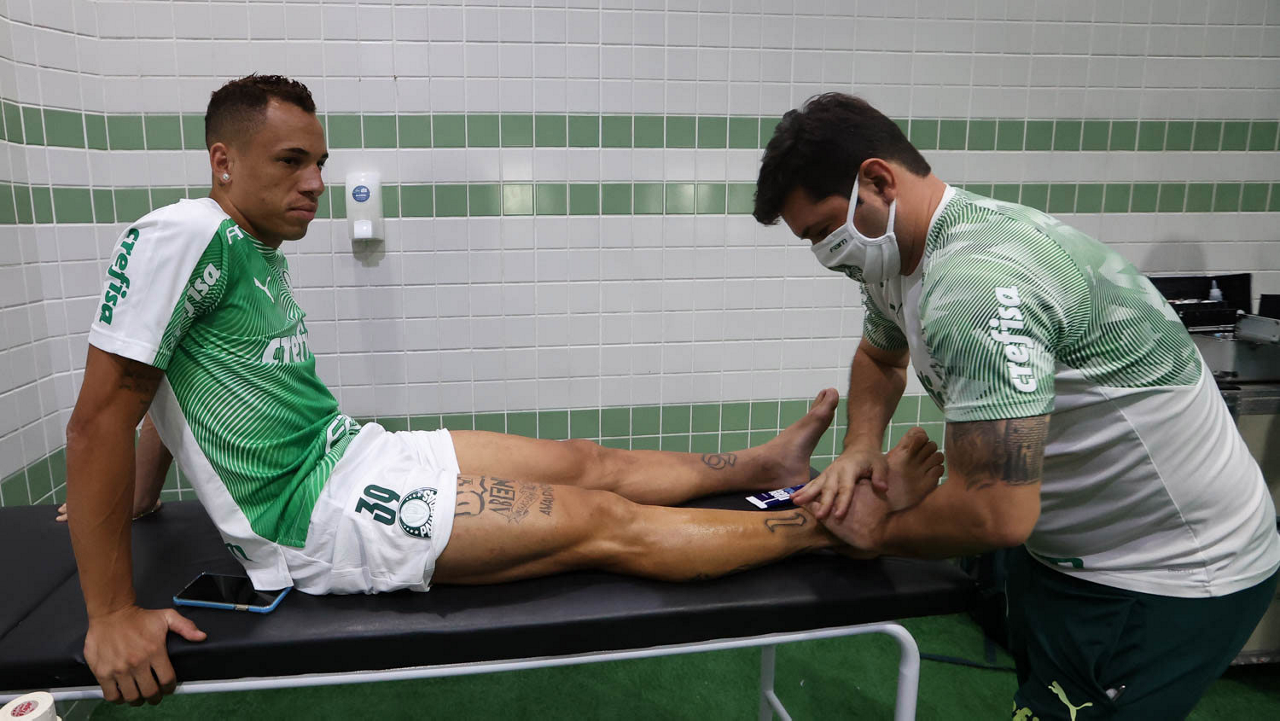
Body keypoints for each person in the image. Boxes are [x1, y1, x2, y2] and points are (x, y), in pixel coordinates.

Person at [63, 75, 946, 707]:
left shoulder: (246, 250)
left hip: (357, 452)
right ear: (222, 160)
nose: (316, 184)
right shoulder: (181, 234)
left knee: (585, 459)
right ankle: (831, 526)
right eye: (293, 161)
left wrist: (142, 497)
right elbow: (102, 414)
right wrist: (110, 614)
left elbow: (163, 380)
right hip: (320, 519)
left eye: (320, 162)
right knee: (602, 522)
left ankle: (762, 465)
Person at [751, 91, 1280, 720]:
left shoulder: (975, 288)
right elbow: (880, 357)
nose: (826, 254)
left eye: (824, 231)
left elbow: (995, 514)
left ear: (878, 181)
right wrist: (861, 446)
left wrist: (877, 532)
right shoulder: (901, 255)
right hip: (1065, 548)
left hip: (1167, 571)